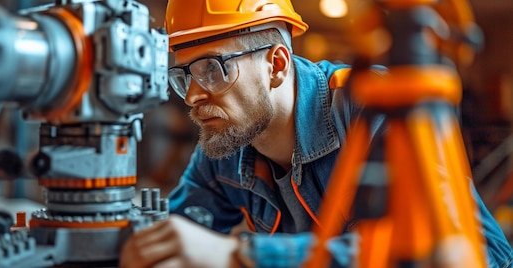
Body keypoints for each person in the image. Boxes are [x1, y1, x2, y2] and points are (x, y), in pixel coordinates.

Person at [120, 0, 513, 267]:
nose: (191, 95)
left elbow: (484, 253)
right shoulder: (224, 143)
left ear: (276, 64)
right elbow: (176, 235)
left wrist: (239, 256)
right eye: (182, 75)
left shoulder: (373, 108)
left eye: (211, 70)